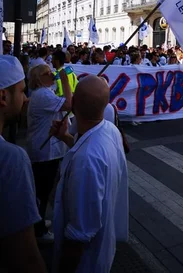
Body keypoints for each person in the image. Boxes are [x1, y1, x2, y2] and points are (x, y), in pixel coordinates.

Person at [51, 75, 128, 273]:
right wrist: (65, 137)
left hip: (86, 264)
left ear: (74, 104)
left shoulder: (86, 161)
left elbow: (79, 234)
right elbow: (83, 143)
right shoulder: (109, 130)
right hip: (103, 252)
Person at [0, 56, 47, 272]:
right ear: (3, 96)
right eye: (21, 91)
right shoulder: (10, 159)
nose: (26, 98)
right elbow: (26, 256)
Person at [27, 64, 72, 241]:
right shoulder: (43, 95)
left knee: (43, 189)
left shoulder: (44, 93)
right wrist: (65, 80)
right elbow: (69, 103)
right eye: (48, 73)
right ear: (39, 79)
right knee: (42, 191)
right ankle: (38, 231)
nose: (52, 75)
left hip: (45, 149)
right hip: (45, 152)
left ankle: (38, 222)